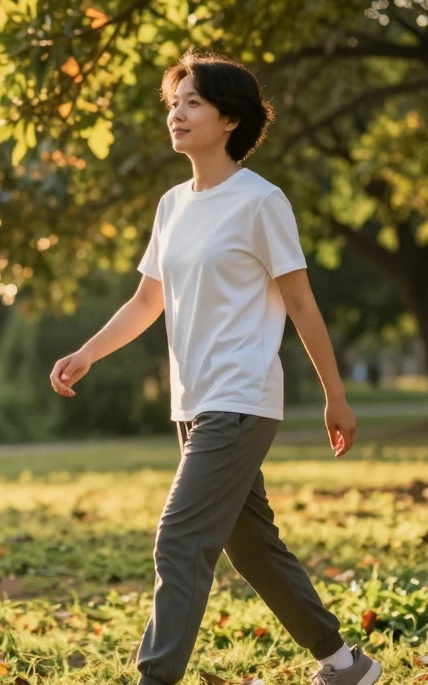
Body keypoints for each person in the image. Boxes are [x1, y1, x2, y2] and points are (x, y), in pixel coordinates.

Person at [49, 51, 380, 685]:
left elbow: (301, 302)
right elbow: (147, 301)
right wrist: (86, 352)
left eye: (193, 102)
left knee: (179, 539)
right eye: (174, 103)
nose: (176, 114)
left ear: (230, 119)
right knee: (249, 544)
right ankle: (344, 664)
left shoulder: (260, 202)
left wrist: (335, 396)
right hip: (194, 401)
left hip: (241, 397)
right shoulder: (172, 205)